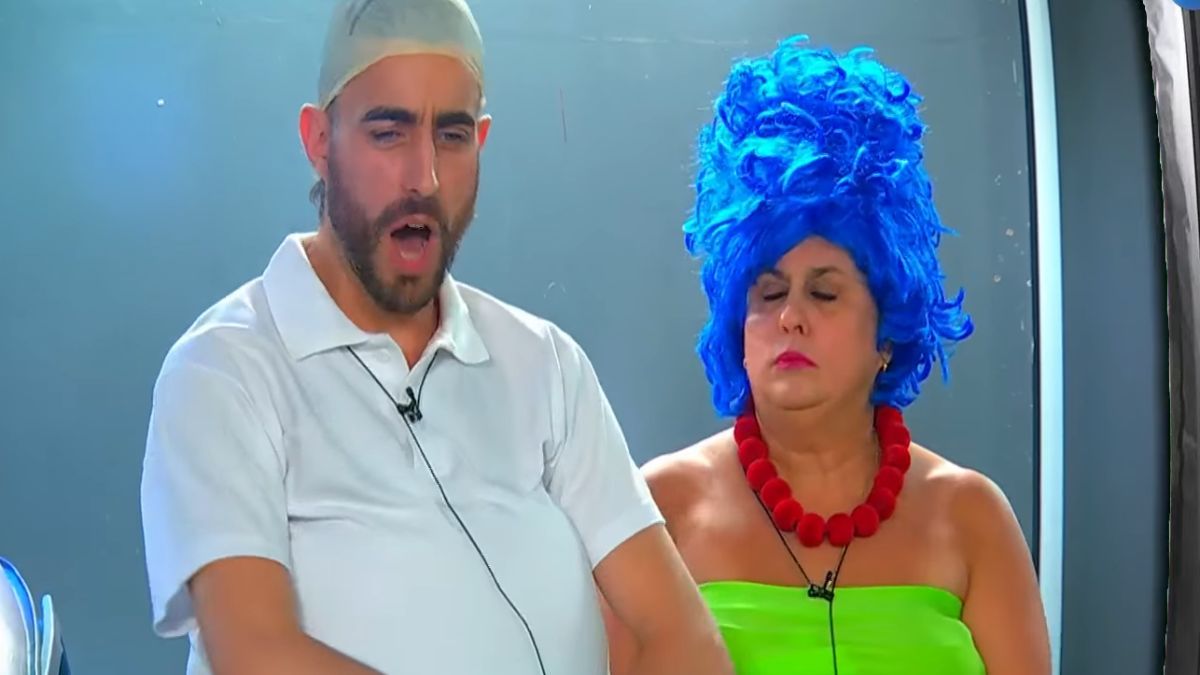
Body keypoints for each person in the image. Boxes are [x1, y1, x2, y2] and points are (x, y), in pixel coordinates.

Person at [138, 1, 733, 673]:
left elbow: (682, 636)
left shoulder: (545, 365)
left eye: (451, 135)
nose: (423, 177)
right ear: (319, 141)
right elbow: (253, 651)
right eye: (388, 133)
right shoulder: (225, 369)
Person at [605, 36, 1052, 674]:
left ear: (887, 331)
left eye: (824, 292)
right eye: (768, 293)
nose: (791, 316)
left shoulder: (972, 516)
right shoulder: (658, 509)